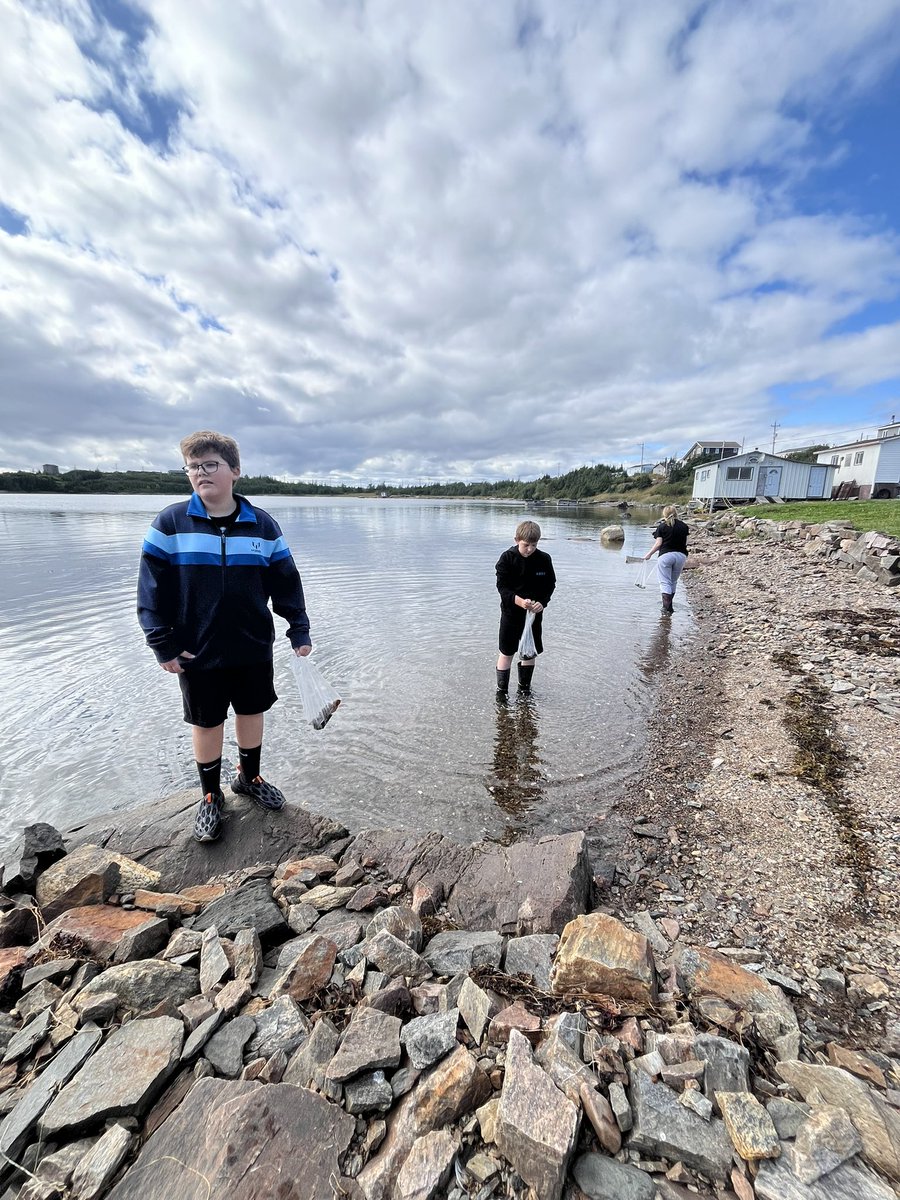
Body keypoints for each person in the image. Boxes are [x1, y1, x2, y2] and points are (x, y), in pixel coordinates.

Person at [137, 430, 312, 843]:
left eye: (210, 464)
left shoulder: (263, 525)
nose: (201, 473)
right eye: (193, 466)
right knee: (206, 720)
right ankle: (211, 796)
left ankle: (248, 778)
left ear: (235, 471)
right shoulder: (170, 524)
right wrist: (161, 642)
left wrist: (298, 629)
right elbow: (150, 591)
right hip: (196, 649)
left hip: (252, 645)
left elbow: (287, 582)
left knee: (252, 712)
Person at [495, 520, 556, 697]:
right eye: (525, 545)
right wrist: (519, 601)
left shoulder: (544, 559)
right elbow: (502, 588)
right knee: (506, 652)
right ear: (516, 540)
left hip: (534, 615)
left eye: (534, 545)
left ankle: (524, 690)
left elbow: (550, 585)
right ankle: (502, 693)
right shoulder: (507, 558)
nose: (530, 549)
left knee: (529, 654)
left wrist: (542, 603)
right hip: (511, 614)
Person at [643, 504, 689, 614]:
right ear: (676, 513)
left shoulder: (662, 527)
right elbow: (685, 543)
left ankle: (666, 609)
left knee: (665, 582)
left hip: (665, 556)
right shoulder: (684, 526)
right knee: (673, 581)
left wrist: (648, 554)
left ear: (664, 515)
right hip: (681, 556)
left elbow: (658, 544)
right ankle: (670, 607)